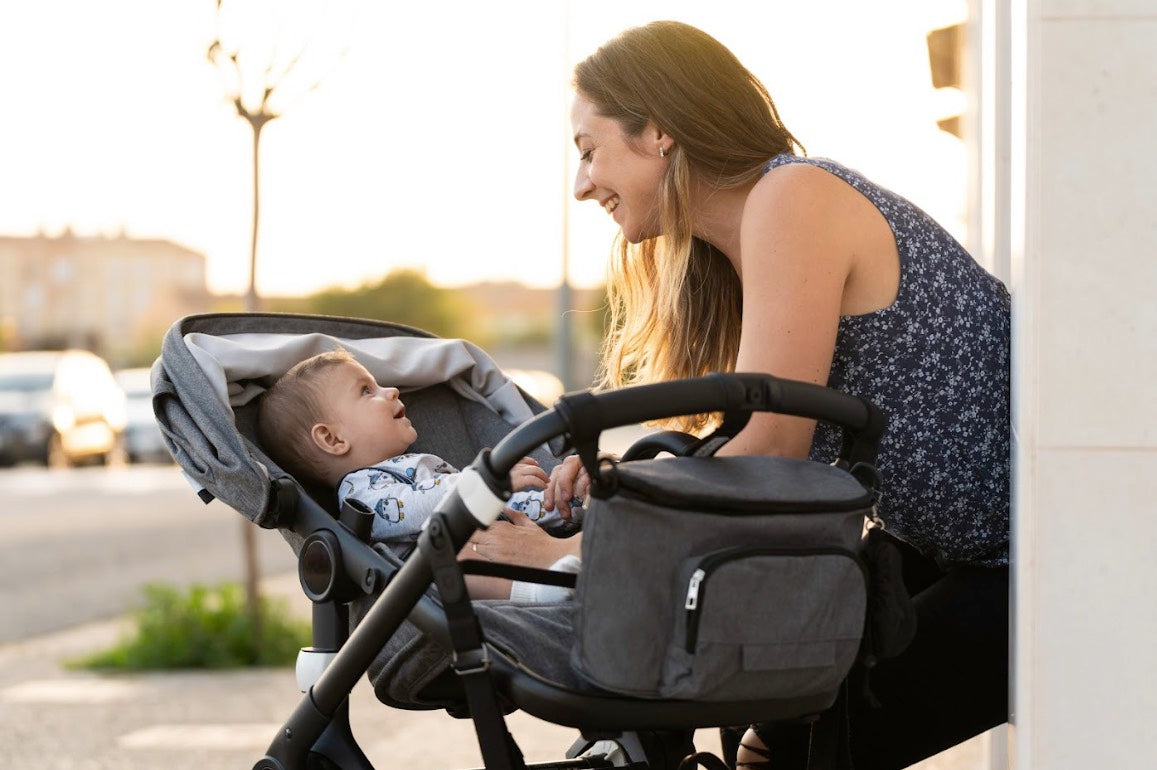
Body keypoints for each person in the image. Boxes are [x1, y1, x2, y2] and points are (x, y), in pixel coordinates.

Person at [518, 19, 1007, 769]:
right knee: (775, 733)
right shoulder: (755, 233)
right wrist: (631, 486)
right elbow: (757, 443)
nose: (581, 184)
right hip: (951, 548)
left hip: (1037, 558)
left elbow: (772, 451)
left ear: (657, 132)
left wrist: (572, 552)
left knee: (793, 750)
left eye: (588, 151)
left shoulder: (793, 195)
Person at [256, 349, 582, 603]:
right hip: (439, 575)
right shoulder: (358, 491)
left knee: (501, 523)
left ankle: (561, 558)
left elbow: (494, 509)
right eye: (367, 391)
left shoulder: (418, 464)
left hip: (496, 540)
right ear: (333, 439)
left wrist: (556, 501)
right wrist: (485, 482)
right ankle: (535, 593)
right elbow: (415, 507)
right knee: (454, 557)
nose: (393, 391)